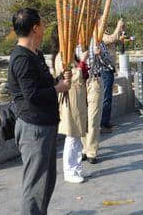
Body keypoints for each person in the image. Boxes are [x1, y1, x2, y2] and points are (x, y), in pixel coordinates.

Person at [8, 8, 71, 214]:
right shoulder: (21, 59)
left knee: (46, 181)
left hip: (45, 124)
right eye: (42, 24)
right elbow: (32, 95)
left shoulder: (36, 53)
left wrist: (58, 81)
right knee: (35, 185)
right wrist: (58, 89)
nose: (44, 28)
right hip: (33, 128)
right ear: (35, 28)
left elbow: (43, 84)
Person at [82, 18, 124, 164]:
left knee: (93, 117)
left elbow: (107, 61)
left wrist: (99, 54)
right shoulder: (78, 41)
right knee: (83, 117)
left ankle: (92, 151)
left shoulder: (98, 40)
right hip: (80, 82)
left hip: (94, 80)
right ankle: (84, 147)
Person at [52, 28, 89, 184]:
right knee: (72, 136)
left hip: (78, 98)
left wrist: (81, 63)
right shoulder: (61, 57)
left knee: (77, 136)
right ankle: (69, 170)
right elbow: (68, 77)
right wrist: (81, 64)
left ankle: (77, 167)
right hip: (69, 100)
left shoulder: (70, 55)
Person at [100, 19, 125, 132]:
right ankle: (104, 124)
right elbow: (111, 39)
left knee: (108, 96)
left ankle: (106, 122)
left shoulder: (104, 34)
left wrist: (120, 33)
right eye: (103, 21)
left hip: (109, 69)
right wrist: (118, 26)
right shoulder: (100, 35)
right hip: (105, 70)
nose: (105, 23)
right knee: (106, 97)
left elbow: (114, 39)